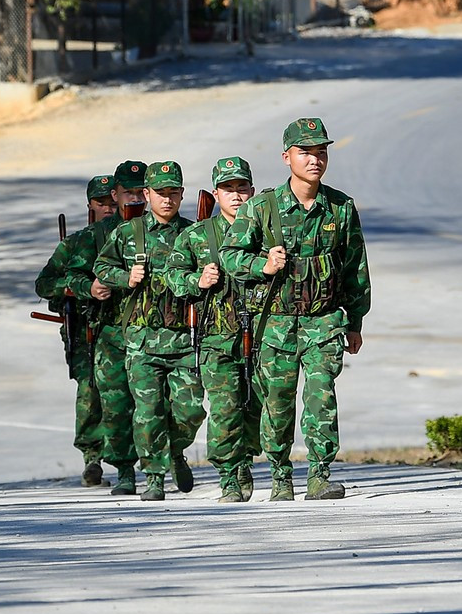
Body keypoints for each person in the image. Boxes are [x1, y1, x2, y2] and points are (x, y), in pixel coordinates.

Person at [223, 119, 369, 501]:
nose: (315, 159)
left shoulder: (340, 208)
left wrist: (354, 321)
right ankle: (279, 474)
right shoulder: (261, 207)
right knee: (277, 400)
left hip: (323, 320)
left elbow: (355, 268)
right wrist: (263, 265)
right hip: (275, 322)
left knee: (322, 395)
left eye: (321, 151)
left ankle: (320, 474)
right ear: (287, 157)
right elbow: (229, 256)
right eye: (306, 152)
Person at [94, 160, 203, 502]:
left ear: (182, 194)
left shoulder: (194, 233)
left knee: (190, 410)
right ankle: (154, 475)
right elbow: (101, 265)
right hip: (142, 340)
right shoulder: (129, 233)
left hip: (183, 340)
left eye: (174, 193)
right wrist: (124, 278)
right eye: (160, 193)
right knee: (147, 411)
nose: (167, 200)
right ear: (146, 194)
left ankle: (175, 450)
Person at [166, 156, 261, 502]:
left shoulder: (267, 229)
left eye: (241, 188)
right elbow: (172, 277)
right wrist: (197, 280)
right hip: (216, 336)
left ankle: (245, 458)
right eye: (227, 189)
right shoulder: (197, 235)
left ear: (252, 191)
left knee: (256, 405)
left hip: (263, 336)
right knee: (224, 406)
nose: (236, 196)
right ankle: (228, 474)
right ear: (215, 194)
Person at [35, 174, 122, 486]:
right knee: (89, 390)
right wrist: (78, 287)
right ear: (91, 205)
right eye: (101, 203)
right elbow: (44, 284)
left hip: (121, 326)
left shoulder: (132, 236)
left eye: (113, 201)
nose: (108, 208)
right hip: (85, 328)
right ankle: (92, 456)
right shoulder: (77, 243)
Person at [92, 159, 150, 493]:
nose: (134, 199)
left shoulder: (169, 230)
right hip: (113, 332)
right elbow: (51, 280)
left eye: (140, 191)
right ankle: (126, 470)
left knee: (163, 404)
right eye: (127, 192)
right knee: (116, 406)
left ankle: (166, 457)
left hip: (157, 332)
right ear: (114, 195)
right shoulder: (99, 234)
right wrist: (88, 287)